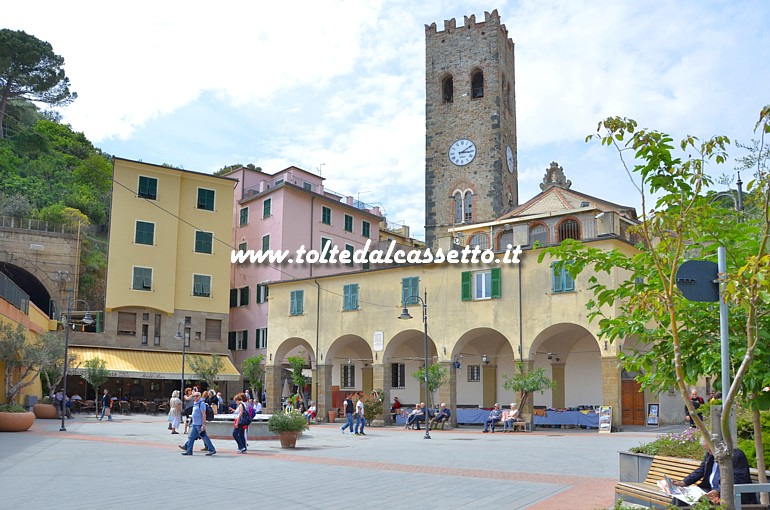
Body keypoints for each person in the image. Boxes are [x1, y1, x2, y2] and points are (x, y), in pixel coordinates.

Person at [671, 437, 756, 506]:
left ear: (718, 446)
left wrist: (718, 490)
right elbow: (701, 470)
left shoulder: (735, 456)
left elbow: (739, 479)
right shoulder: (711, 454)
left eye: (710, 450)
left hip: (728, 494)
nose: (709, 453)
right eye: (707, 450)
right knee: (679, 497)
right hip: (710, 490)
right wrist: (684, 482)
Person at [178, 391, 216, 456]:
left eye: (197, 396)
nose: (195, 397)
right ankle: (189, 451)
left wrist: (203, 425)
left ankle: (212, 449)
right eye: (194, 396)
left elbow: (204, 414)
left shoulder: (201, 403)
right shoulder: (195, 403)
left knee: (204, 437)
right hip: (195, 424)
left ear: (200, 396)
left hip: (199, 424)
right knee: (191, 437)